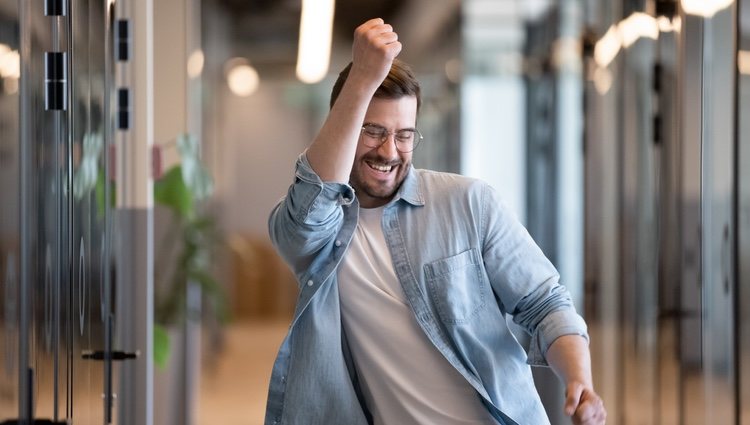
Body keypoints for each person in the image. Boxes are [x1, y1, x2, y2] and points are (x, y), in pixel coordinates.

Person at [265, 18, 607, 425]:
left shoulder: (469, 202)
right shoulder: (319, 232)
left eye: (405, 135)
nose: (389, 151)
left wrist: (579, 381)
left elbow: (545, 302)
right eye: (372, 132)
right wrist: (361, 77)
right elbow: (309, 212)